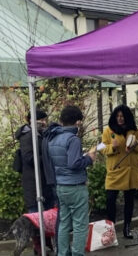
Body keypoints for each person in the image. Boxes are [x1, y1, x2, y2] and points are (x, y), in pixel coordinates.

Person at [46, 105, 95, 256]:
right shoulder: (73, 139)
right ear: (78, 122)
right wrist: (89, 158)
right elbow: (74, 164)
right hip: (75, 187)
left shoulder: (53, 138)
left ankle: (62, 253)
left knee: (64, 223)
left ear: (62, 120)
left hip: (61, 186)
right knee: (80, 225)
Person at [101, 104, 138, 239]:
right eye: (118, 116)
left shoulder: (135, 130)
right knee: (110, 200)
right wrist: (111, 147)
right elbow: (102, 148)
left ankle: (127, 227)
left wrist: (136, 144)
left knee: (129, 200)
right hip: (115, 170)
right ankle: (111, 229)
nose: (120, 119)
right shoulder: (108, 130)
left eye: (123, 116)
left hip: (131, 171)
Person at [15, 109, 56, 213]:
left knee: (48, 217)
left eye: (44, 120)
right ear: (31, 120)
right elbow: (29, 158)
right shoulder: (27, 137)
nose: (44, 122)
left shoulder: (41, 134)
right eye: (41, 120)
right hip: (34, 184)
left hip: (44, 183)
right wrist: (48, 156)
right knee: (36, 218)